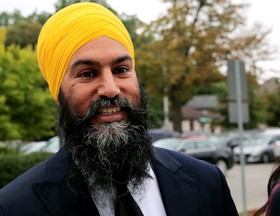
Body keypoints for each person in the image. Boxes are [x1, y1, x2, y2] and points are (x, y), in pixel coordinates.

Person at [0, 2, 238, 216]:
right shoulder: (15, 206)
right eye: (88, 74)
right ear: (58, 95)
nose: (111, 89)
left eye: (121, 69)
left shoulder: (206, 182)